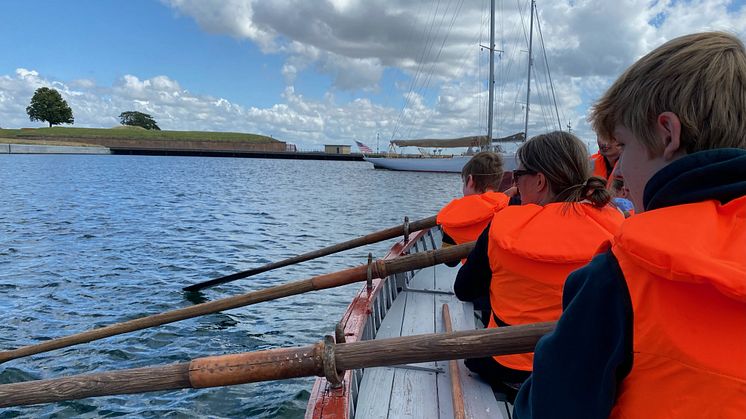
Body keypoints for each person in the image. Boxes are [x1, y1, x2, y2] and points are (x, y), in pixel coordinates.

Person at [513, 31, 746, 418]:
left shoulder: (619, 274)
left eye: (623, 146)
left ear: (667, 134)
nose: (617, 171)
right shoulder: (612, 233)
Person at [454, 131, 624, 401]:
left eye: (519, 176)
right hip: (574, 372)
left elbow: (464, 289)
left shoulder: (502, 225)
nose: (515, 184)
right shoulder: (617, 230)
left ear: (540, 181)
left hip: (506, 367)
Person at [437, 151, 508, 266]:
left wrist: (445, 230)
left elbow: (450, 262)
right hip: (501, 278)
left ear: (470, 181)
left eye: (463, 182)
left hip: (475, 279)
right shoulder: (511, 206)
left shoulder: (453, 217)